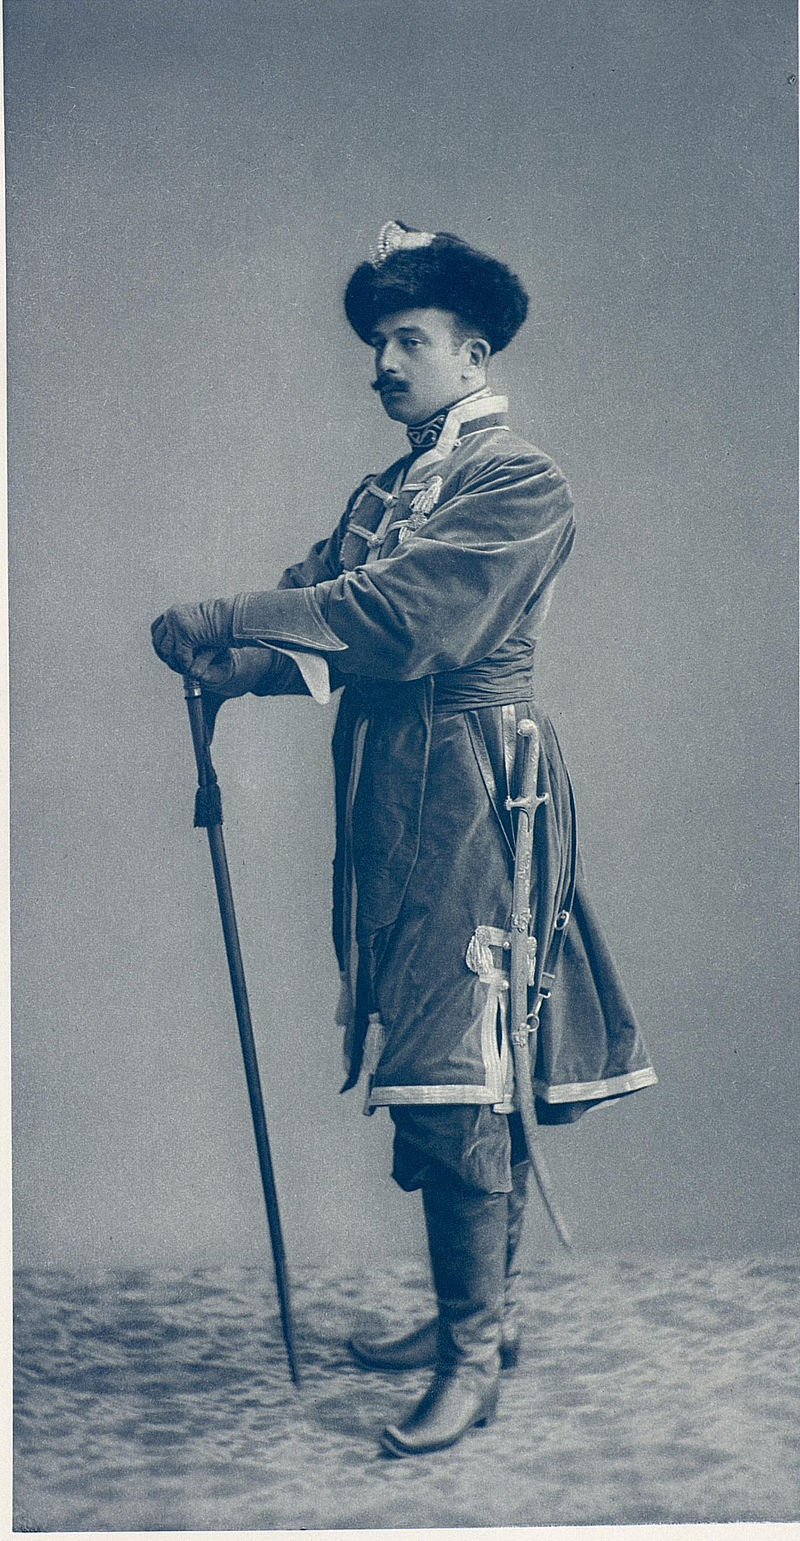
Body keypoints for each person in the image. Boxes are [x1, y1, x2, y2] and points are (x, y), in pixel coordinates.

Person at [151, 220, 657, 1457]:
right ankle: (474, 1318)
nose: (382, 362)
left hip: (479, 789)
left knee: (456, 1056)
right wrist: (240, 666)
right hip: (389, 784)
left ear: (473, 352)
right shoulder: (386, 490)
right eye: (375, 342)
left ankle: (471, 1353)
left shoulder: (518, 480)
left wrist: (225, 609)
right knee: (438, 1048)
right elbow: (325, 633)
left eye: (408, 339)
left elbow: (398, 621)